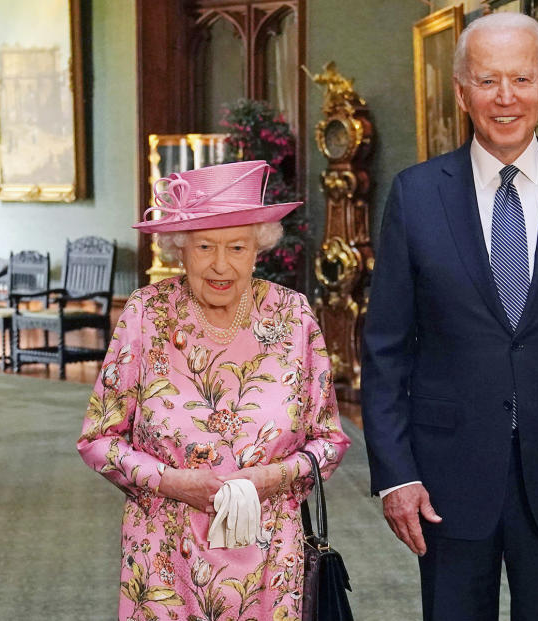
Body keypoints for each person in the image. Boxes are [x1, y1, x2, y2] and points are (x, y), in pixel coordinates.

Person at [361, 13, 538, 620]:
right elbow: (385, 348)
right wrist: (395, 475)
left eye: (521, 78)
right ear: (462, 91)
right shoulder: (416, 194)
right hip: (444, 479)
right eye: (488, 81)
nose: (506, 97)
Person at [78, 160, 350, 620]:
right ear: (179, 249)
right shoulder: (148, 313)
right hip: (164, 559)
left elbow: (329, 442)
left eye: (238, 247)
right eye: (205, 246)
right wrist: (171, 482)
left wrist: (272, 479)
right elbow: (98, 440)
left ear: (258, 249)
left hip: (270, 562)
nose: (221, 265)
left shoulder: (293, 316)